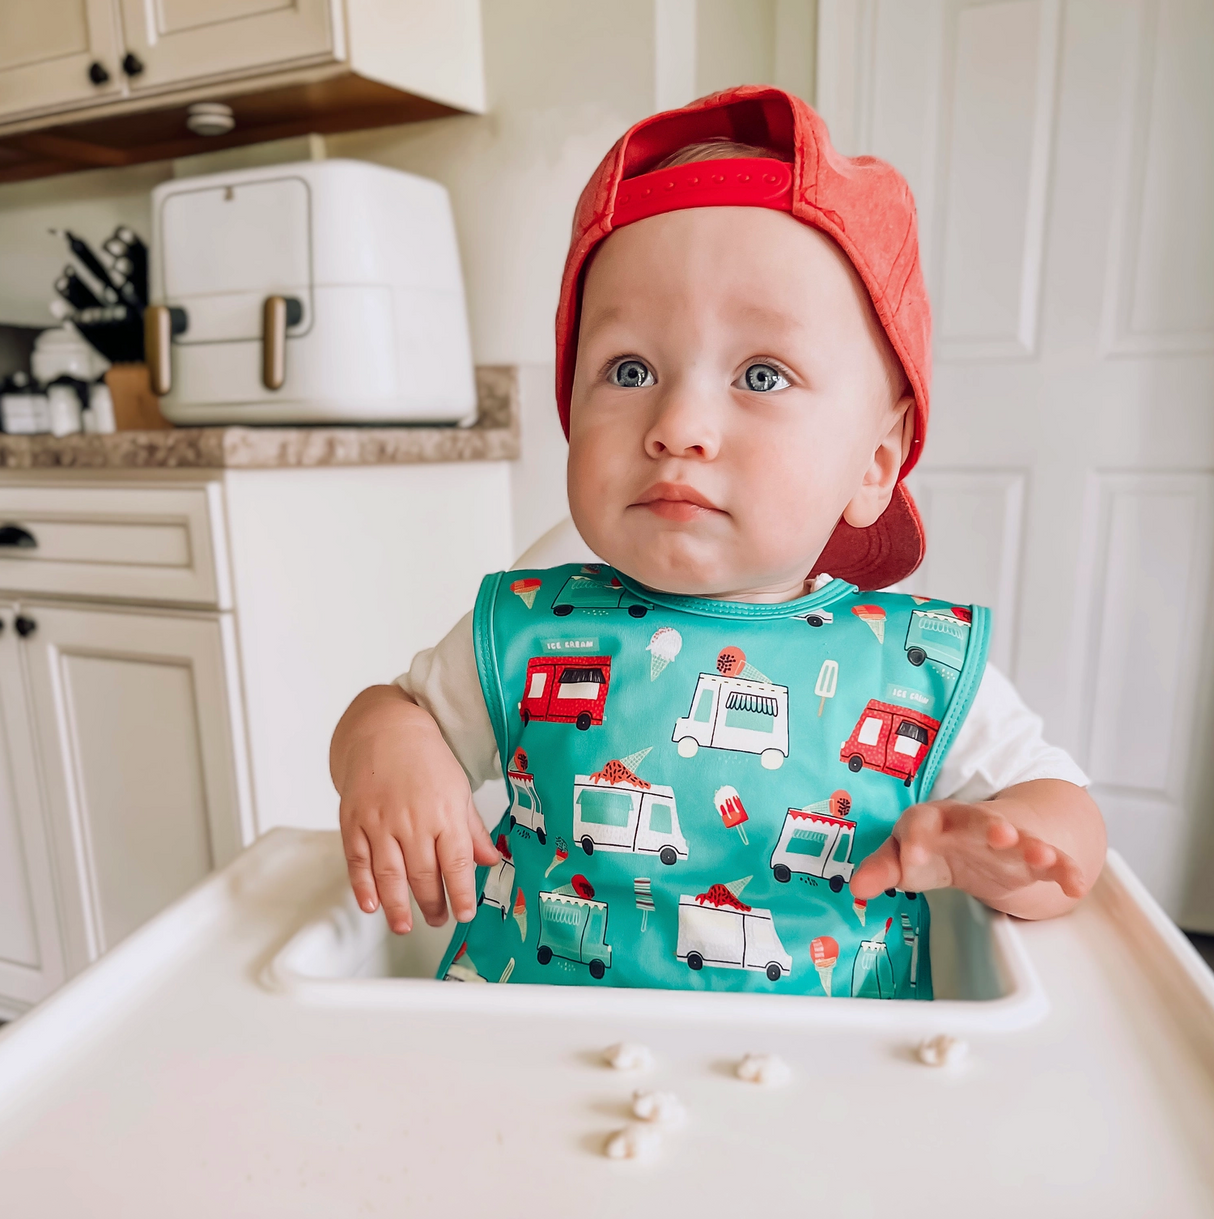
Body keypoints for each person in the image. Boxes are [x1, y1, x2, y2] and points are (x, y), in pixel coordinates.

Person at [329, 87, 1106, 997]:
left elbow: (1067, 817)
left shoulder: (914, 667)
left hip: (811, 1091)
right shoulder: (528, 629)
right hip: (526, 1072)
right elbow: (389, 709)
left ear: (877, 461)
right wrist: (388, 750)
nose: (678, 424)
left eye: (762, 373)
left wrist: (1017, 853)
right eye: (629, 369)